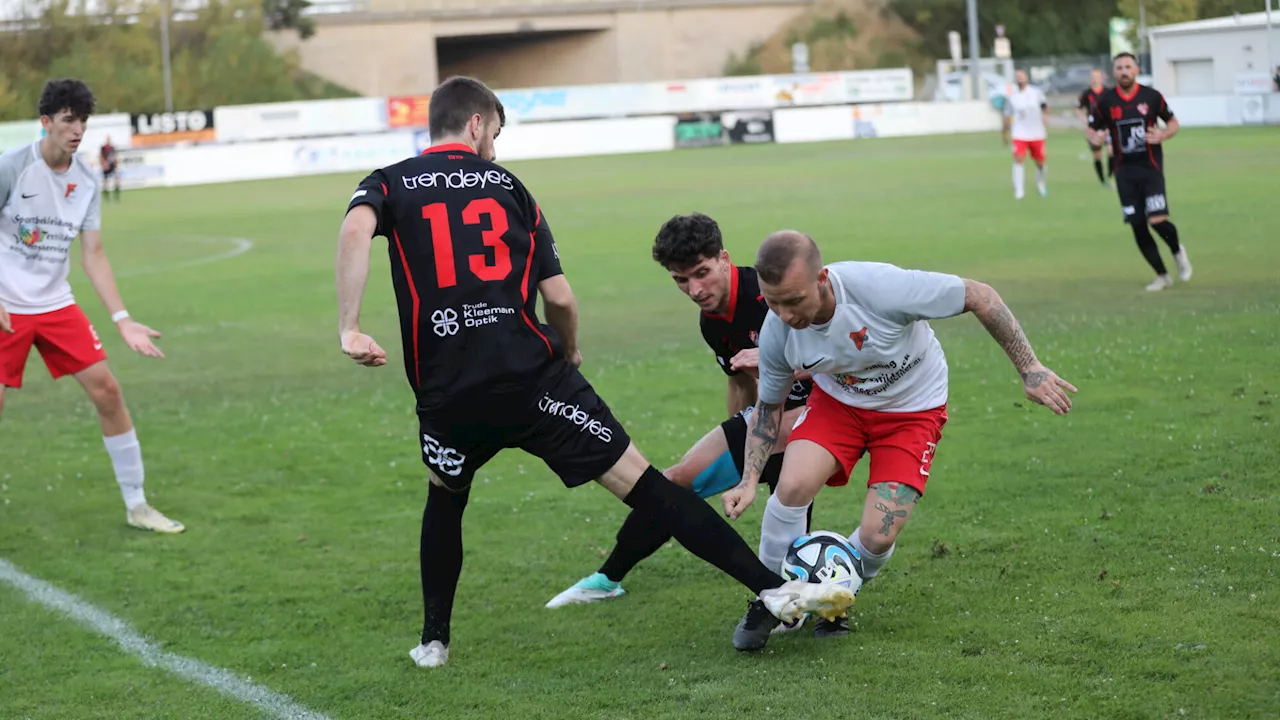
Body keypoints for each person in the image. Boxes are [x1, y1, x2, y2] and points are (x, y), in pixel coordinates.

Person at [334, 76, 854, 669]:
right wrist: (570, 351)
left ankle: (434, 642)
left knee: (445, 498)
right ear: (477, 124)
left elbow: (354, 230)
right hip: (534, 379)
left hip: (448, 390)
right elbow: (560, 298)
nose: (495, 151)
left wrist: (350, 326)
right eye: (495, 135)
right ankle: (771, 586)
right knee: (651, 487)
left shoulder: (388, 181)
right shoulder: (510, 188)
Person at [720, 230, 1077, 651]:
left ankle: (832, 588)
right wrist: (748, 479)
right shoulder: (778, 331)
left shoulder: (882, 289)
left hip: (913, 410)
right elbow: (768, 409)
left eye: (794, 300)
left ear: (822, 279)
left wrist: (1030, 368)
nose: (784, 314)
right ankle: (772, 598)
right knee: (793, 484)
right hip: (841, 405)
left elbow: (980, 295)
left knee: (878, 536)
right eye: (772, 301)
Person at [545, 213, 836, 634]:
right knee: (678, 480)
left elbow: (843, 355)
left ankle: (788, 595)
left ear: (724, 259)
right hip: (773, 415)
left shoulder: (769, 293)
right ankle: (607, 579)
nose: (695, 290)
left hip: (829, 407)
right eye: (681, 280)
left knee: (788, 487)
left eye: (701, 273)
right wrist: (741, 436)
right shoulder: (712, 319)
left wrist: (782, 366)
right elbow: (740, 381)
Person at [0, 79, 183, 533]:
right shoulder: (11, 167)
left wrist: (122, 320)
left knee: (108, 391)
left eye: (82, 120)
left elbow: (94, 254)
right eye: (67, 120)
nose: (77, 129)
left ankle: (138, 506)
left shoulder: (86, 179)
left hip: (56, 304)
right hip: (6, 304)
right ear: (46, 123)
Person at [1089, 52, 1192, 292]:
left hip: (1150, 168)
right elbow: (1091, 129)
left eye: (1128, 67)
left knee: (1157, 220)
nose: (1124, 71)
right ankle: (1162, 275)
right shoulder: (1106, 101)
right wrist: (1096, 136)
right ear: (1114, 72)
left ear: (1136, 69)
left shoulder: (1152, 97)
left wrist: (1163, 134)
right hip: (1124, 172)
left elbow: (1173, 122)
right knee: (1137, 224)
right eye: (1119, 68)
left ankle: (1177, 250)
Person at [1002, 70, 1050, 200]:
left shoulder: (1036, 93)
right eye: (1017, 77)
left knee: (1040, 162)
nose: (1020, 78)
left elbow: (1045, 107)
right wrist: (1005, 133)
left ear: (1026, 78)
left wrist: (1045, 117)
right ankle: (1019, 190)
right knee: (1018, 159)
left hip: (1037, 133)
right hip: (1019, 133)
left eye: (1021, 76)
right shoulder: (1012, 97)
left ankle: (1040, 183)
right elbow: (1007, 116)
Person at [1076, 69, 1114, 187]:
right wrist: (1083, 118)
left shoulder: (1108, 92)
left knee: (1111, 151)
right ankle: (1102, 180)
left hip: (1107, 126)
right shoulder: (1086, 94)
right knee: (1097, 155)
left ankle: (1110, 176)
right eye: (1093, 76)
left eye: (1097, 76)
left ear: (1102, 78)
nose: (1095, 79)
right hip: (1093, 128)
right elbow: (1078, 108)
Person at [99, 136, 120, 201]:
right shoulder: (103, 148)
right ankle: (106, 195)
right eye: (107, 139)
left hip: (112, 165)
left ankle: (116, 194)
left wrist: (116, 163)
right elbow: (101, 156)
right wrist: (103, 164)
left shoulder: (112, 148)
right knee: (106, 180)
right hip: (106, 165)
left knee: (116, 179)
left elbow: (115, 156)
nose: (108, 140)